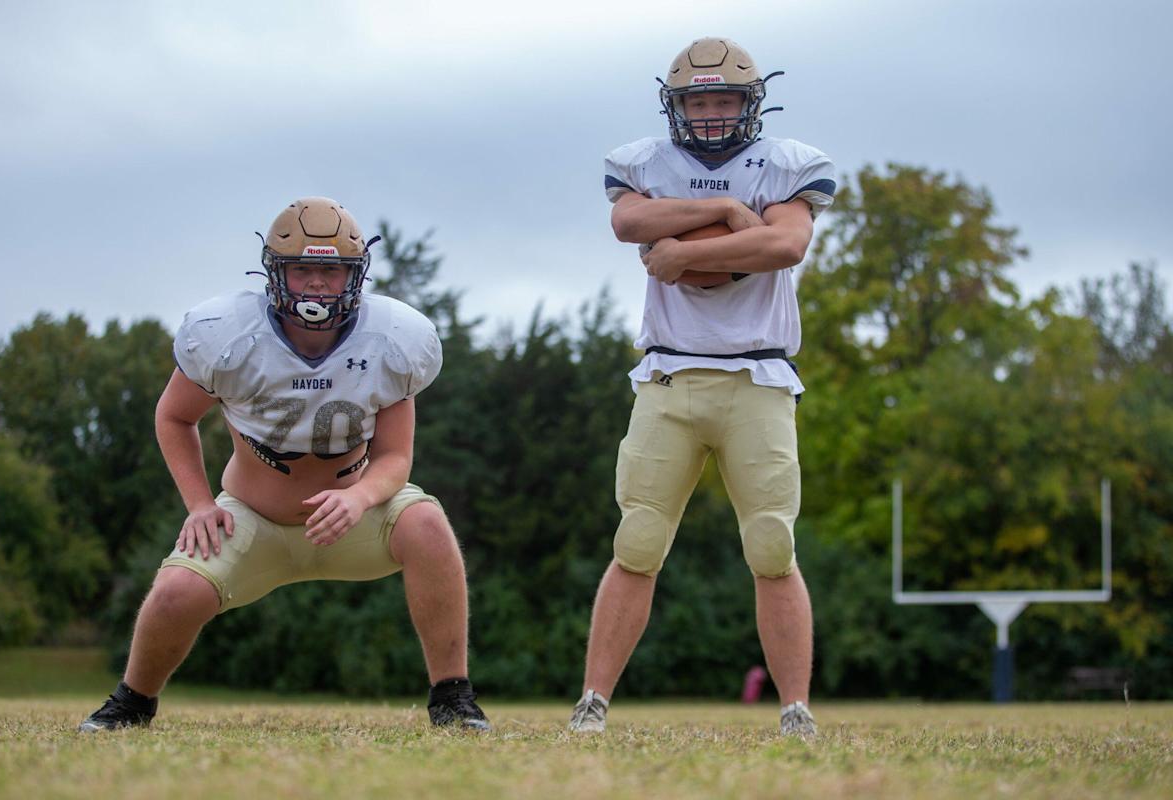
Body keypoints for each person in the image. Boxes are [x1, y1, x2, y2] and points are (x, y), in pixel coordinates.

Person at [79, 197, 489, 732]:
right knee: (177, 591)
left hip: (349, 517)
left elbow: (394, 457)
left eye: (331, 269)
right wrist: (200, 505)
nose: (317, 284)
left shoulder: (391, 340)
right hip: (251, 518)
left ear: (355, 275)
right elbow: (173, 418)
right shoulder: (229, 335)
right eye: (302, 269)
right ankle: (130, 704)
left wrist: (360, 496)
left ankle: (453, 699)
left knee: (428, 524)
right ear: (276, 273)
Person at [567, 38, 836, 736]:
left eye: (723, 101)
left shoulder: (787, 163)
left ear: (750, 105)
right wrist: (732, 220)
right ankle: (593, 702)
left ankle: (795, 709)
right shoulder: (642, 162)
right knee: (638, 539)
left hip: (758, 374)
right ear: (675, 106)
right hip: (670, 372)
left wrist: (683, 249)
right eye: (698, 101)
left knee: (773, 545)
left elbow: (785, 246)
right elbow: (629, 222)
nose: (711, 114)